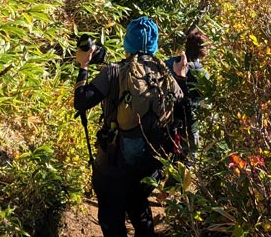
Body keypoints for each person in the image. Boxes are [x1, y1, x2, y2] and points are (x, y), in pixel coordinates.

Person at [74, 16, 185, 237]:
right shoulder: (166, 77)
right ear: (155, 44)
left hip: (113, 165)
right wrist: (180, 77)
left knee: (111, 216)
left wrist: (84, 65)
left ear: (127, 43)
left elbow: (82, 101)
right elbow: (182, 116)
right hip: (150, 166)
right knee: (139, 208)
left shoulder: (114, 72)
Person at [165, 28, 208, 159]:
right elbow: (206, 103)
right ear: (203, 51)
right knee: (188, 160)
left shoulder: (170, 63)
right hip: (189, 122)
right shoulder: (201, 73)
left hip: (167, 119)